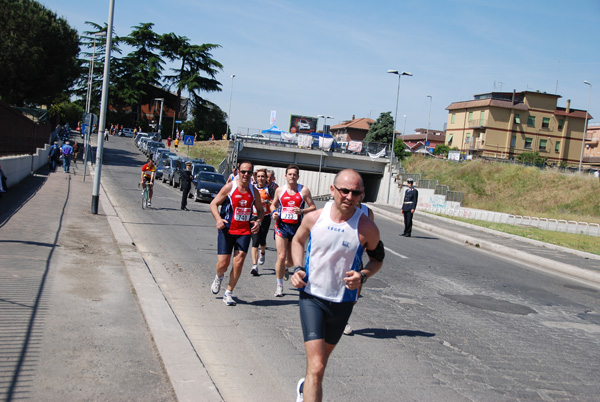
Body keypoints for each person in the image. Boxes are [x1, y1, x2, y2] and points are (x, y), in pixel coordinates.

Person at [290, 169, 383, 402]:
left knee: (320, 363)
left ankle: (306, 387)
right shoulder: (314, 218)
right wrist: (297, 268)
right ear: (333, 190)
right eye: (344, 191)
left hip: (342, 303)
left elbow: (377, 259)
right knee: (318, 365)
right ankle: (309, 386)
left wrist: (363, 276)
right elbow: (297, 240)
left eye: (355, 192)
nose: (349, 197)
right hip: (312, 297)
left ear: (362, 195)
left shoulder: (367, 228)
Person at [209, 161, 264, 306]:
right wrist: (219, 219)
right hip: (227, 230)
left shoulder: (254, 191)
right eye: (243, 172)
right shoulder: (230, 187)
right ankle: (219, 276)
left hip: (244, 232)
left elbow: (261, 211)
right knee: (223, 264)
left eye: (249, 172)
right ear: (238, 172)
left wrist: (258, 222)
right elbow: (213, 204)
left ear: (252, 174)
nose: (246, 175)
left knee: (238, 262)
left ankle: (228, 293)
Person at [271, 165, 316, 297]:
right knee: (281, 256)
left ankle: (285, 268)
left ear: (298, 176)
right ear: (286, 176)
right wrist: (274, 212)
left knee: (290, 261)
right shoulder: (280, 190)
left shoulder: (304, 191)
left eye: (294, 174)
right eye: (289, 174)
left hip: (296, 228)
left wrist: (302, 211)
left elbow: (312, 206)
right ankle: (279, 286)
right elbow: (273, 204)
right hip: (281, 226)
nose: (292, 176)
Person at [343, 197, 374, 336]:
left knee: (355, 293)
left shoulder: (368, 211)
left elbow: (371, 231)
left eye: (359, 192)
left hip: (356, 257)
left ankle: (342, 318)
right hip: (340, 254)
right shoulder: (344, 208)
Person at [250, 169, 275, 276]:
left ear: (266, 178)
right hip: (254, 217)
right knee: (254, 241)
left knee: (262, 240)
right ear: (256, 178)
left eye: (262, 177)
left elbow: (275, 202)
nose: (260, 178)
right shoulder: (252, 188)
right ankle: (254, 266)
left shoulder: (269, 189)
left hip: (265, 217)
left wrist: (267, 202)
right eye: (259, 176)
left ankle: (263, 252)